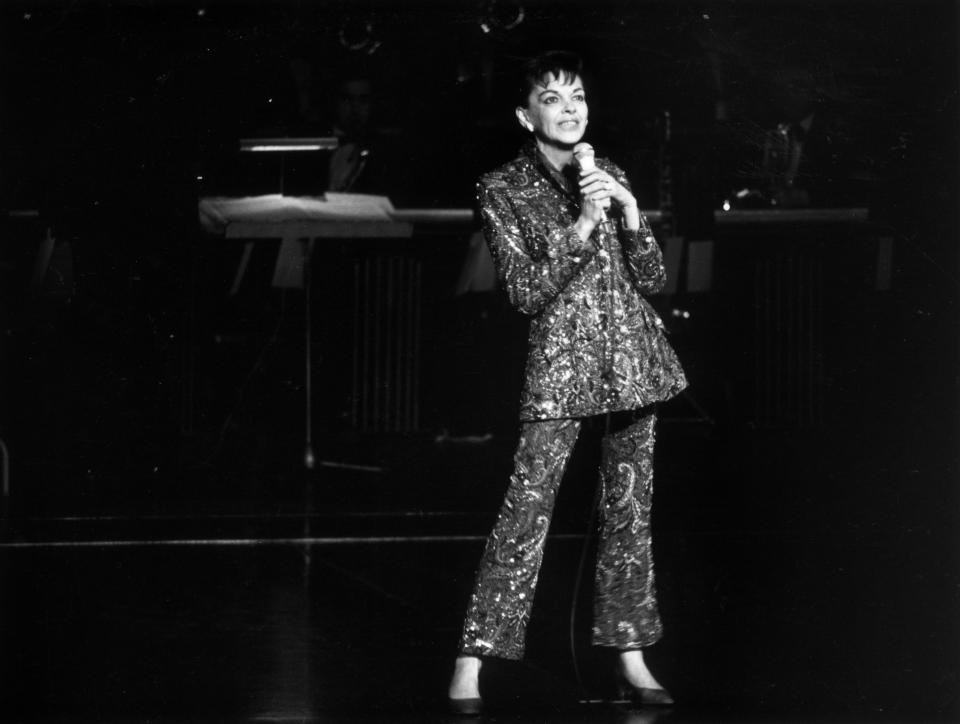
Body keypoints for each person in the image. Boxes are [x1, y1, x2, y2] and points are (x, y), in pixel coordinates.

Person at [447, 51, 688, 715]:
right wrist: (581, 226)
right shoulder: (502, 188)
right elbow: (524, 293)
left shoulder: (607, 171)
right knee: (525, 512)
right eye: (553, 98)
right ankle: (472, 661)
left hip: (632, 363)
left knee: (629, 515)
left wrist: (632, 216)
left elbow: (653, 279)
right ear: (527, 115)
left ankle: (631, 657)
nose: (571, 107)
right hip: (560, 368)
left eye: (577, 94)